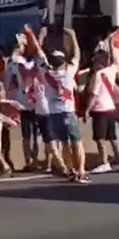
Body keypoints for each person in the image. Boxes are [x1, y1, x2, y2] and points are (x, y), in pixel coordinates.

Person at [32, 26, 88, 183]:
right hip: (68, 112)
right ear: (63, 62)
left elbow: (38, 52)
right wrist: (73, 36)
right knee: (77, 142)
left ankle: (71, 170)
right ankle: (81, 171)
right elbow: (77, 54)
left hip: (53, 114)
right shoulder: (68, 72)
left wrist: (40, 36)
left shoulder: (45, 71)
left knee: (64, 143)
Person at [87, 49, 119, 173]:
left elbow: (93, 94)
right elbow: (115, 61)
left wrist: (87, 110)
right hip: (111, 108)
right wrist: (111, 44)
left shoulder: (98, 75)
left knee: (100, 138)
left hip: (100, 109)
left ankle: (104, 162)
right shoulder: (111, 70)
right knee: (111, 135)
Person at [6, 37, 40, 171]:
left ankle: (29, 161)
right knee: (36, 135)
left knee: (26, 134)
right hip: (36, 102)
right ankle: (35, 160)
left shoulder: (16, 64)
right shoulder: (37, 64)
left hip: (23, 102)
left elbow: (12, 59)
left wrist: (19, 46)